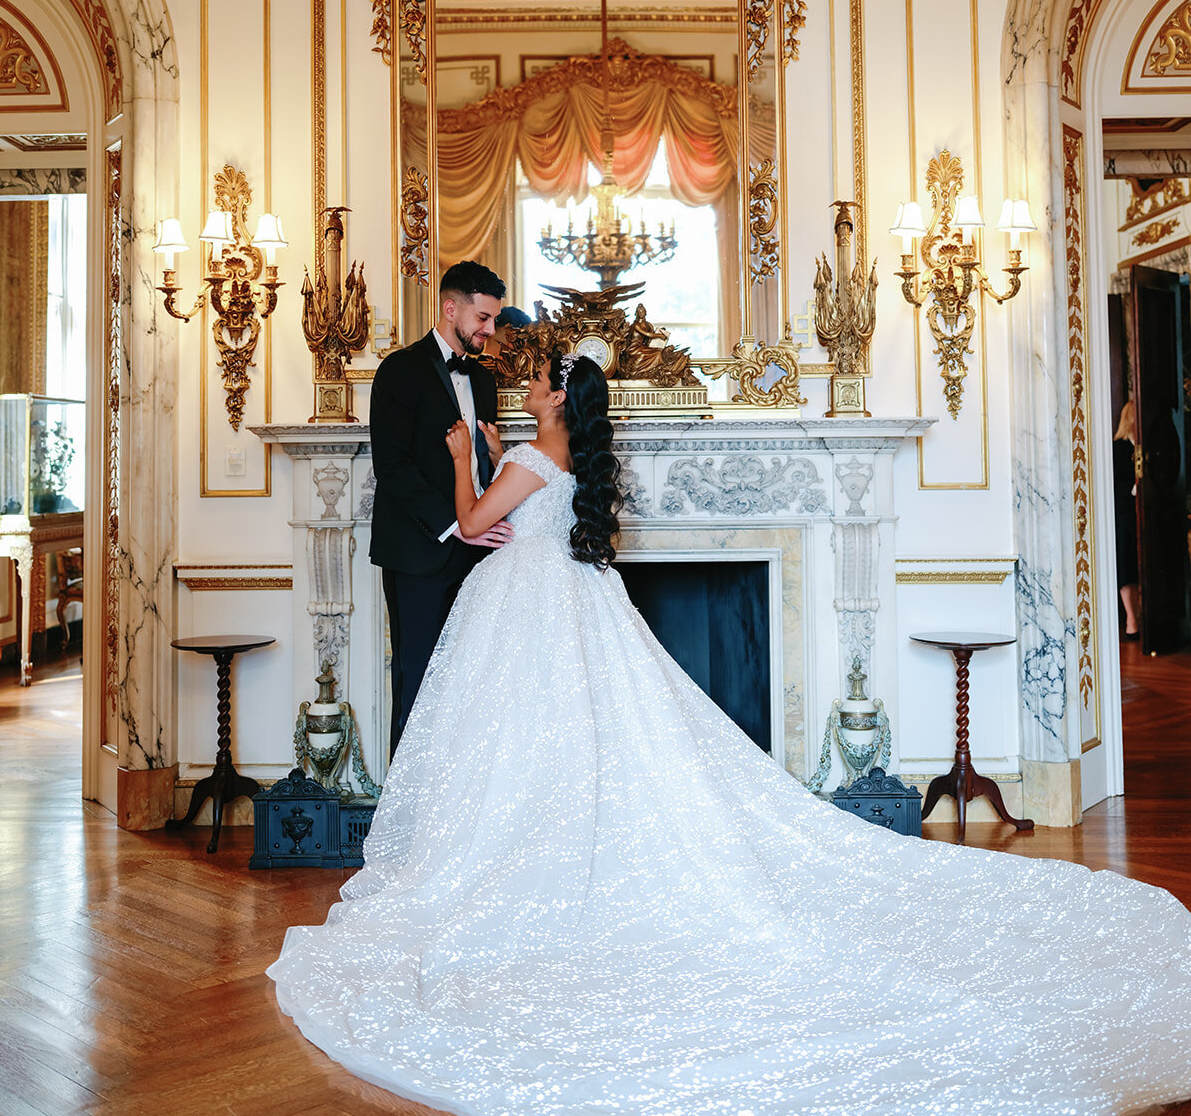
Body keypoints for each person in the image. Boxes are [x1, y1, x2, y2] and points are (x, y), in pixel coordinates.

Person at [270, 353, 1191, 1114]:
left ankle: (509, 852)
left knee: (515, 742)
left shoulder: (529, 455)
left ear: (558, 401)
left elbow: (473, 520)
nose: (536, 389)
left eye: (546, 382)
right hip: (568, 602)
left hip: (523, 607)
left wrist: (464, 452)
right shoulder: (573, 459)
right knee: (572, 736)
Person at [367, 259, 510, 757]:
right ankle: (403, 825)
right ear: (451, 308)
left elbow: (478, 472)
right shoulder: (399, 371)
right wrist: (457, 527)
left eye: (493, 320)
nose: (490, 331)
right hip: (420, 554)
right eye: (483, 319)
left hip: (480, 554)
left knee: (473, 684)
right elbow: (394, 467)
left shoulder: (485, 381)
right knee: (418, 680)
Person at [1114, 398, 1140, 640]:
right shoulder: (1120, 448)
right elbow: (1118, 485)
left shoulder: (1142, 444)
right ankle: (1131, 620)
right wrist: (1136, 487)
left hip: (1140, 515)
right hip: (1125, 516)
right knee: (1127, 568)